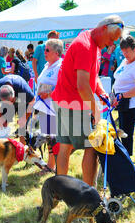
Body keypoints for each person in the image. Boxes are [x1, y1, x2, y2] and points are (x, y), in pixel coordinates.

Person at [51, 15, 123, 187]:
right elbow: (82, 86)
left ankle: (62, 189)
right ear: (104, 29)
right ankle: (89, 195)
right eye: (111, 40)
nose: (110, 45)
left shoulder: (95, 45)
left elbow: (92, 76)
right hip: (73, 102)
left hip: (65, 100)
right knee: (93, 145)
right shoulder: (85, 46)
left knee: (65, 146)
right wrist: (96, 111)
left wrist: (101, 92)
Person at [111, 36, 135, 156]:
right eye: (123, 51)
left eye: (127, 52)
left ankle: (127, 160)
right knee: (121, 131)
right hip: (121, 101)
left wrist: (122, 95)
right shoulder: (125, 61)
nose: (125, 54)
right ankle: (124, 157)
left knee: (126, 134)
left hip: (130, 104)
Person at [33, 38, 64, 171]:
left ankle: (51, 166)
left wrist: (49, 93)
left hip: (53, 107)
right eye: (44, 49)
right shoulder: (47, 65)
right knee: (47, 135)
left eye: (47, 50)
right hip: (43, 106)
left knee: (52, 137)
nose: (44, 52)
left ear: (56, 52)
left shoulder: (61, 66)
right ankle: (51, 164)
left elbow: (63, 86)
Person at [0, 74, 35, 145]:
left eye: (11, 102)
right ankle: (2, 146)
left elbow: (33, 101)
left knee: (22, 126)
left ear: (14, 94)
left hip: (22, 98)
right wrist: (1, 116)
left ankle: (22, 148)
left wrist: (25, 117)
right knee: (3, 122)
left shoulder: (22, 87)